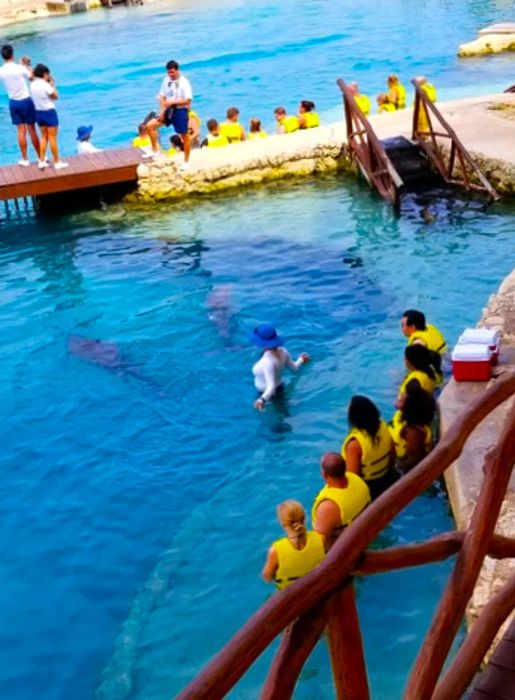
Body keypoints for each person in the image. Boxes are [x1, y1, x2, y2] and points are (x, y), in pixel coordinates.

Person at [341, 395, 397, 500]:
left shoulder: (355, 444)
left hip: (370, 487)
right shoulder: (383, 425)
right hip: (387, 478)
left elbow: (354, 478)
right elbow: (393, 454)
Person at [261, 500, 326, 589]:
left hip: (291, 597)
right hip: (318, 588)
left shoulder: (276, 550)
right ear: (304, 518)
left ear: (282, 523)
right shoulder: (320, 539)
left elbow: (267, 577)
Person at [312, 452, 371, 547]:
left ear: (324, 475)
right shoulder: (357, 480)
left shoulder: (328, 507)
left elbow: (319, 544)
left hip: (343, 549)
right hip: (362, 533)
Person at [250, 323, 309, 410]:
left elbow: (271, 386)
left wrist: (261, 400)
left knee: (276, 420)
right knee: (282, 413)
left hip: (266, 393)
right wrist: (301, 360)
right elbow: (294, 368)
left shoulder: (267, 362)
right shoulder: (283, 351)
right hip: (280, 388)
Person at [146, 60, 192, 168]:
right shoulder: (166, 81)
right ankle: (155, 150)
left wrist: (173, 102)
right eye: (168, 72)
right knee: (150, 126)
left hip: (180, 110)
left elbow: (188, 100)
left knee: (184, 136)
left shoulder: (184, 82)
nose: (170, 75)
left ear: (177, 70)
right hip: (168, 109)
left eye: (172, 72)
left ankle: (186, 161)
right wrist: (162, 111)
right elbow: (162, 96)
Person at [0, 45, 40, 166]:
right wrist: (27, 65)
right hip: (25, 100)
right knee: (31, 129)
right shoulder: (19, 68)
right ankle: (40, 157)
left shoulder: (1, 71)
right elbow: (32, 78)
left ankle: (25, 159)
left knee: (20, 131)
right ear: (12, 54)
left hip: (13, 102)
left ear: (3, 57)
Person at [389, 381, 436, 471]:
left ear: (410, 407)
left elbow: (413, 462)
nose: (399, 397)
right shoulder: (402, 415)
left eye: (403, 397)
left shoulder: (414, 433)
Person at [30, 63, 68, 170]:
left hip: (39, 112)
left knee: (43, 137)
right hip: (49, 112)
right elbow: (56, 96)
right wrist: (52, 84)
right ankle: (57, 162)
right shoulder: (45, 85)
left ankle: (41, 161)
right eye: (48, 74)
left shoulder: (32, 84)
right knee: (52, 138)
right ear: (45, 74)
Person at [396, 344, 440, 408]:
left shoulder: (414, 380)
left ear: (409, 361)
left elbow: (402, 405)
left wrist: (397, 404)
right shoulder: (430, 371)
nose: (404, 361)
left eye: (405, 358)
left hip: (406, 416)